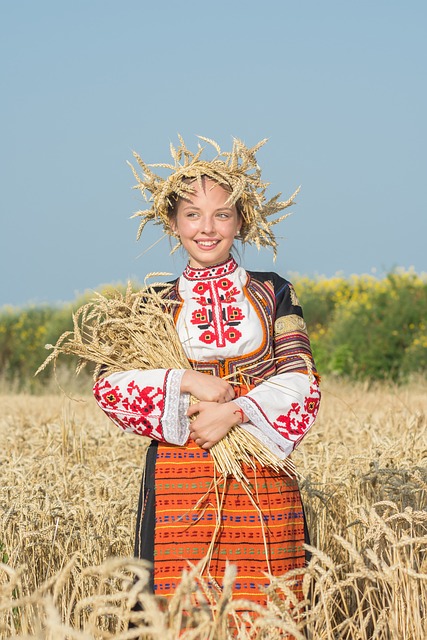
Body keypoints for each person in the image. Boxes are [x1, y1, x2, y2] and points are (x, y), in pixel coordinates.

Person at [93, 136, 320, 607]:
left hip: (262, 472)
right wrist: (186, 381)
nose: (207, 228)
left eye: (222, 214)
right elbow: (109, 387)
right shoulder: (153, 306)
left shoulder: (274, 291)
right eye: (192, 214)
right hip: (180, 482)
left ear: (241, 221)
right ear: (173, 223)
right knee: (180, 611)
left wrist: (234, 411)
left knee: (268, 610)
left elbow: (302, 381)